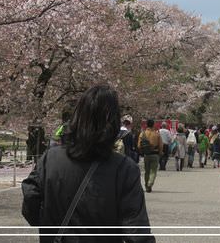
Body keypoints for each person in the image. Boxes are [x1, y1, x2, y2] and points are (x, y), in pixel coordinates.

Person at [22, 85, 154, 242]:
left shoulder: (50, 159)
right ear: (113, 122)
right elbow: (136, 230)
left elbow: (31, 198)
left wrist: (48, 224)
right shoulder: (124, 168)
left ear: (77, 117)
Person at [138, 119, 162, 193]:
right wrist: (160, 153)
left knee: (147, 171)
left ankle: (146, 186)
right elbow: (161, 146)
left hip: (146, 155)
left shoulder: (142, 134)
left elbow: (139, 145)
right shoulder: (157, 134)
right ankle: (150, 184)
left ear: (146, 125)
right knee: (153, 171)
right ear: (153, 125)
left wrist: (142, 152)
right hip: (155, 154)